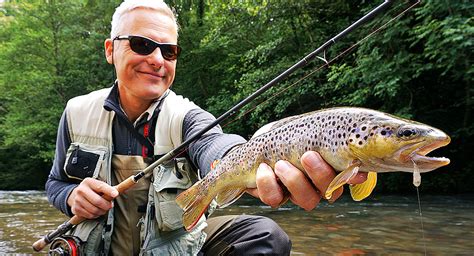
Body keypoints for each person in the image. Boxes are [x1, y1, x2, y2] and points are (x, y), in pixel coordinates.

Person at [45, 0, 368, 255]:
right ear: (110, 49)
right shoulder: (76, 112)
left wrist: (252, 164)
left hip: (175, 250)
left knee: (264, 237)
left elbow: (217, 145)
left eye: (169, 51)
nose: (157, 59)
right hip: (99, 249)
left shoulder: (188, 116)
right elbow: (54, 183)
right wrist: (72, 196)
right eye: (142, 45)